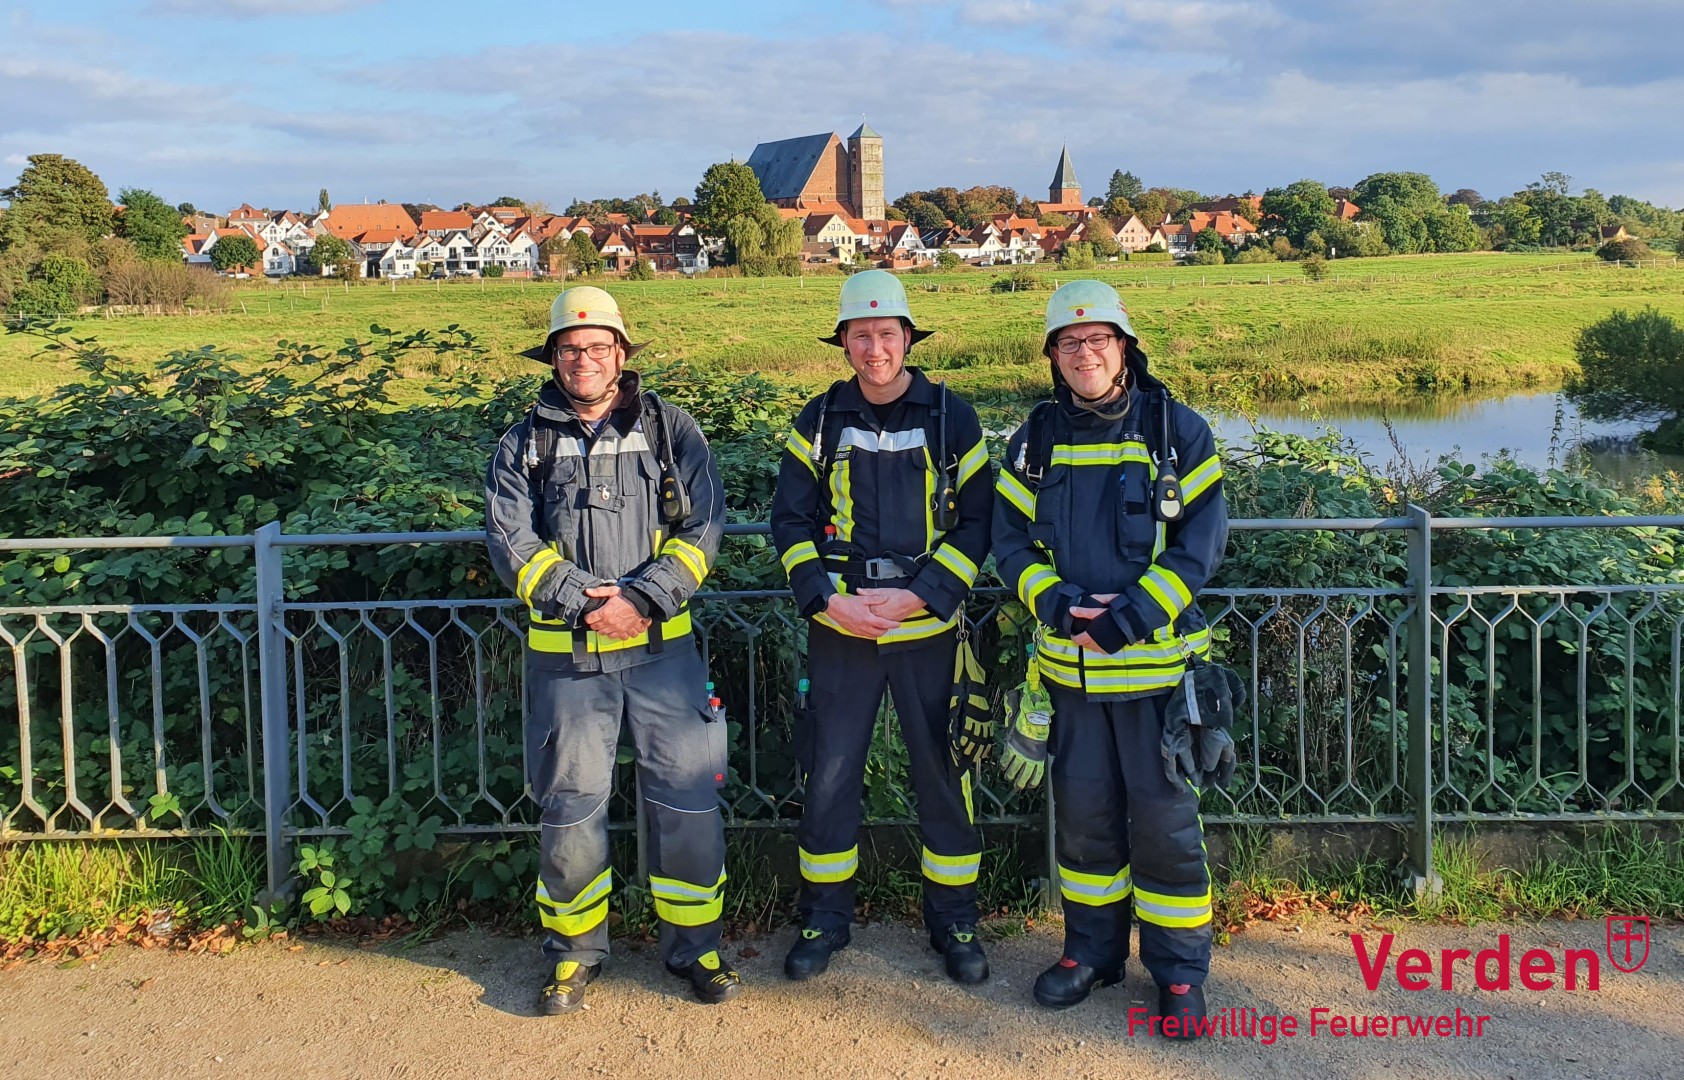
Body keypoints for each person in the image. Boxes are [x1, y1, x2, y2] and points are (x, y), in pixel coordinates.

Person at [485, 286, 737, 1014]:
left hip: (664, 657)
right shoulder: (523, 441)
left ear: (621, 355)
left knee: (688, 804)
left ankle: (698, 949)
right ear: (554, 358)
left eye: (598, 347)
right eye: (571, 348)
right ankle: (572, 955)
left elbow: (706, 528)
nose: (584, 359)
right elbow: (511, 543)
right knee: (569, 810)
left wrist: (642, 600)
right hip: (567, 662)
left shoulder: (670, 430)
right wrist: (581, 603)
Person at [992, 279, 1228, 1036]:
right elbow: (1007, 541)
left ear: (1125, 347)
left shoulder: (1177, 432)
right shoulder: (1032, 439)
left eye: (1098, 341)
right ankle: (1091, 954)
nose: (1084, 353)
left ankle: (1179, 974)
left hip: (1158, 680)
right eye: (1069, 343)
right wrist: (1058, 608)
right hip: (1072, 680)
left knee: (1165, 829)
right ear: (1053, 356)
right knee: (1087, 827)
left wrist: (1126, 619)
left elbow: (1200, 547)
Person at [771, 270, 995, 985]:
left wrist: (926, 595)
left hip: (928, 632)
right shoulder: (819, 418)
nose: (875, 348)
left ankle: (955, 921)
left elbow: (981, 521)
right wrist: (825, 601)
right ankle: (824, 919)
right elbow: (790, 520)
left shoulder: (951, 416)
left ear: (908, 338)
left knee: (943, 776)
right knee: (830, 776)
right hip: (843, 631)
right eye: (861, 335)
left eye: (886, 334)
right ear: (843, 343)